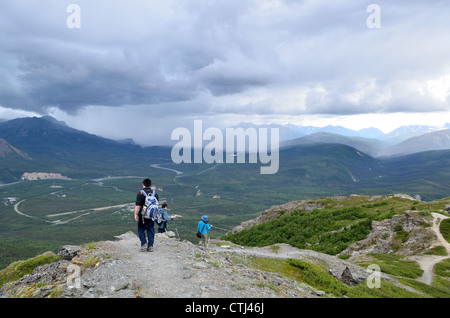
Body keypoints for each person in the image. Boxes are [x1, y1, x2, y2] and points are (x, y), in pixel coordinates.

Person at [134, 178, 159, 252]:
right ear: (150, 185)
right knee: (150, 229)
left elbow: (137, 205)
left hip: (142, 215)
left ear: (143, 184)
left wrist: (135, 214)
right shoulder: (155, 193)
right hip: (151, 215)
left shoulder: (140, 193)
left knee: (141, 229)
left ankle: (144, 244)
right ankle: (150, 246)